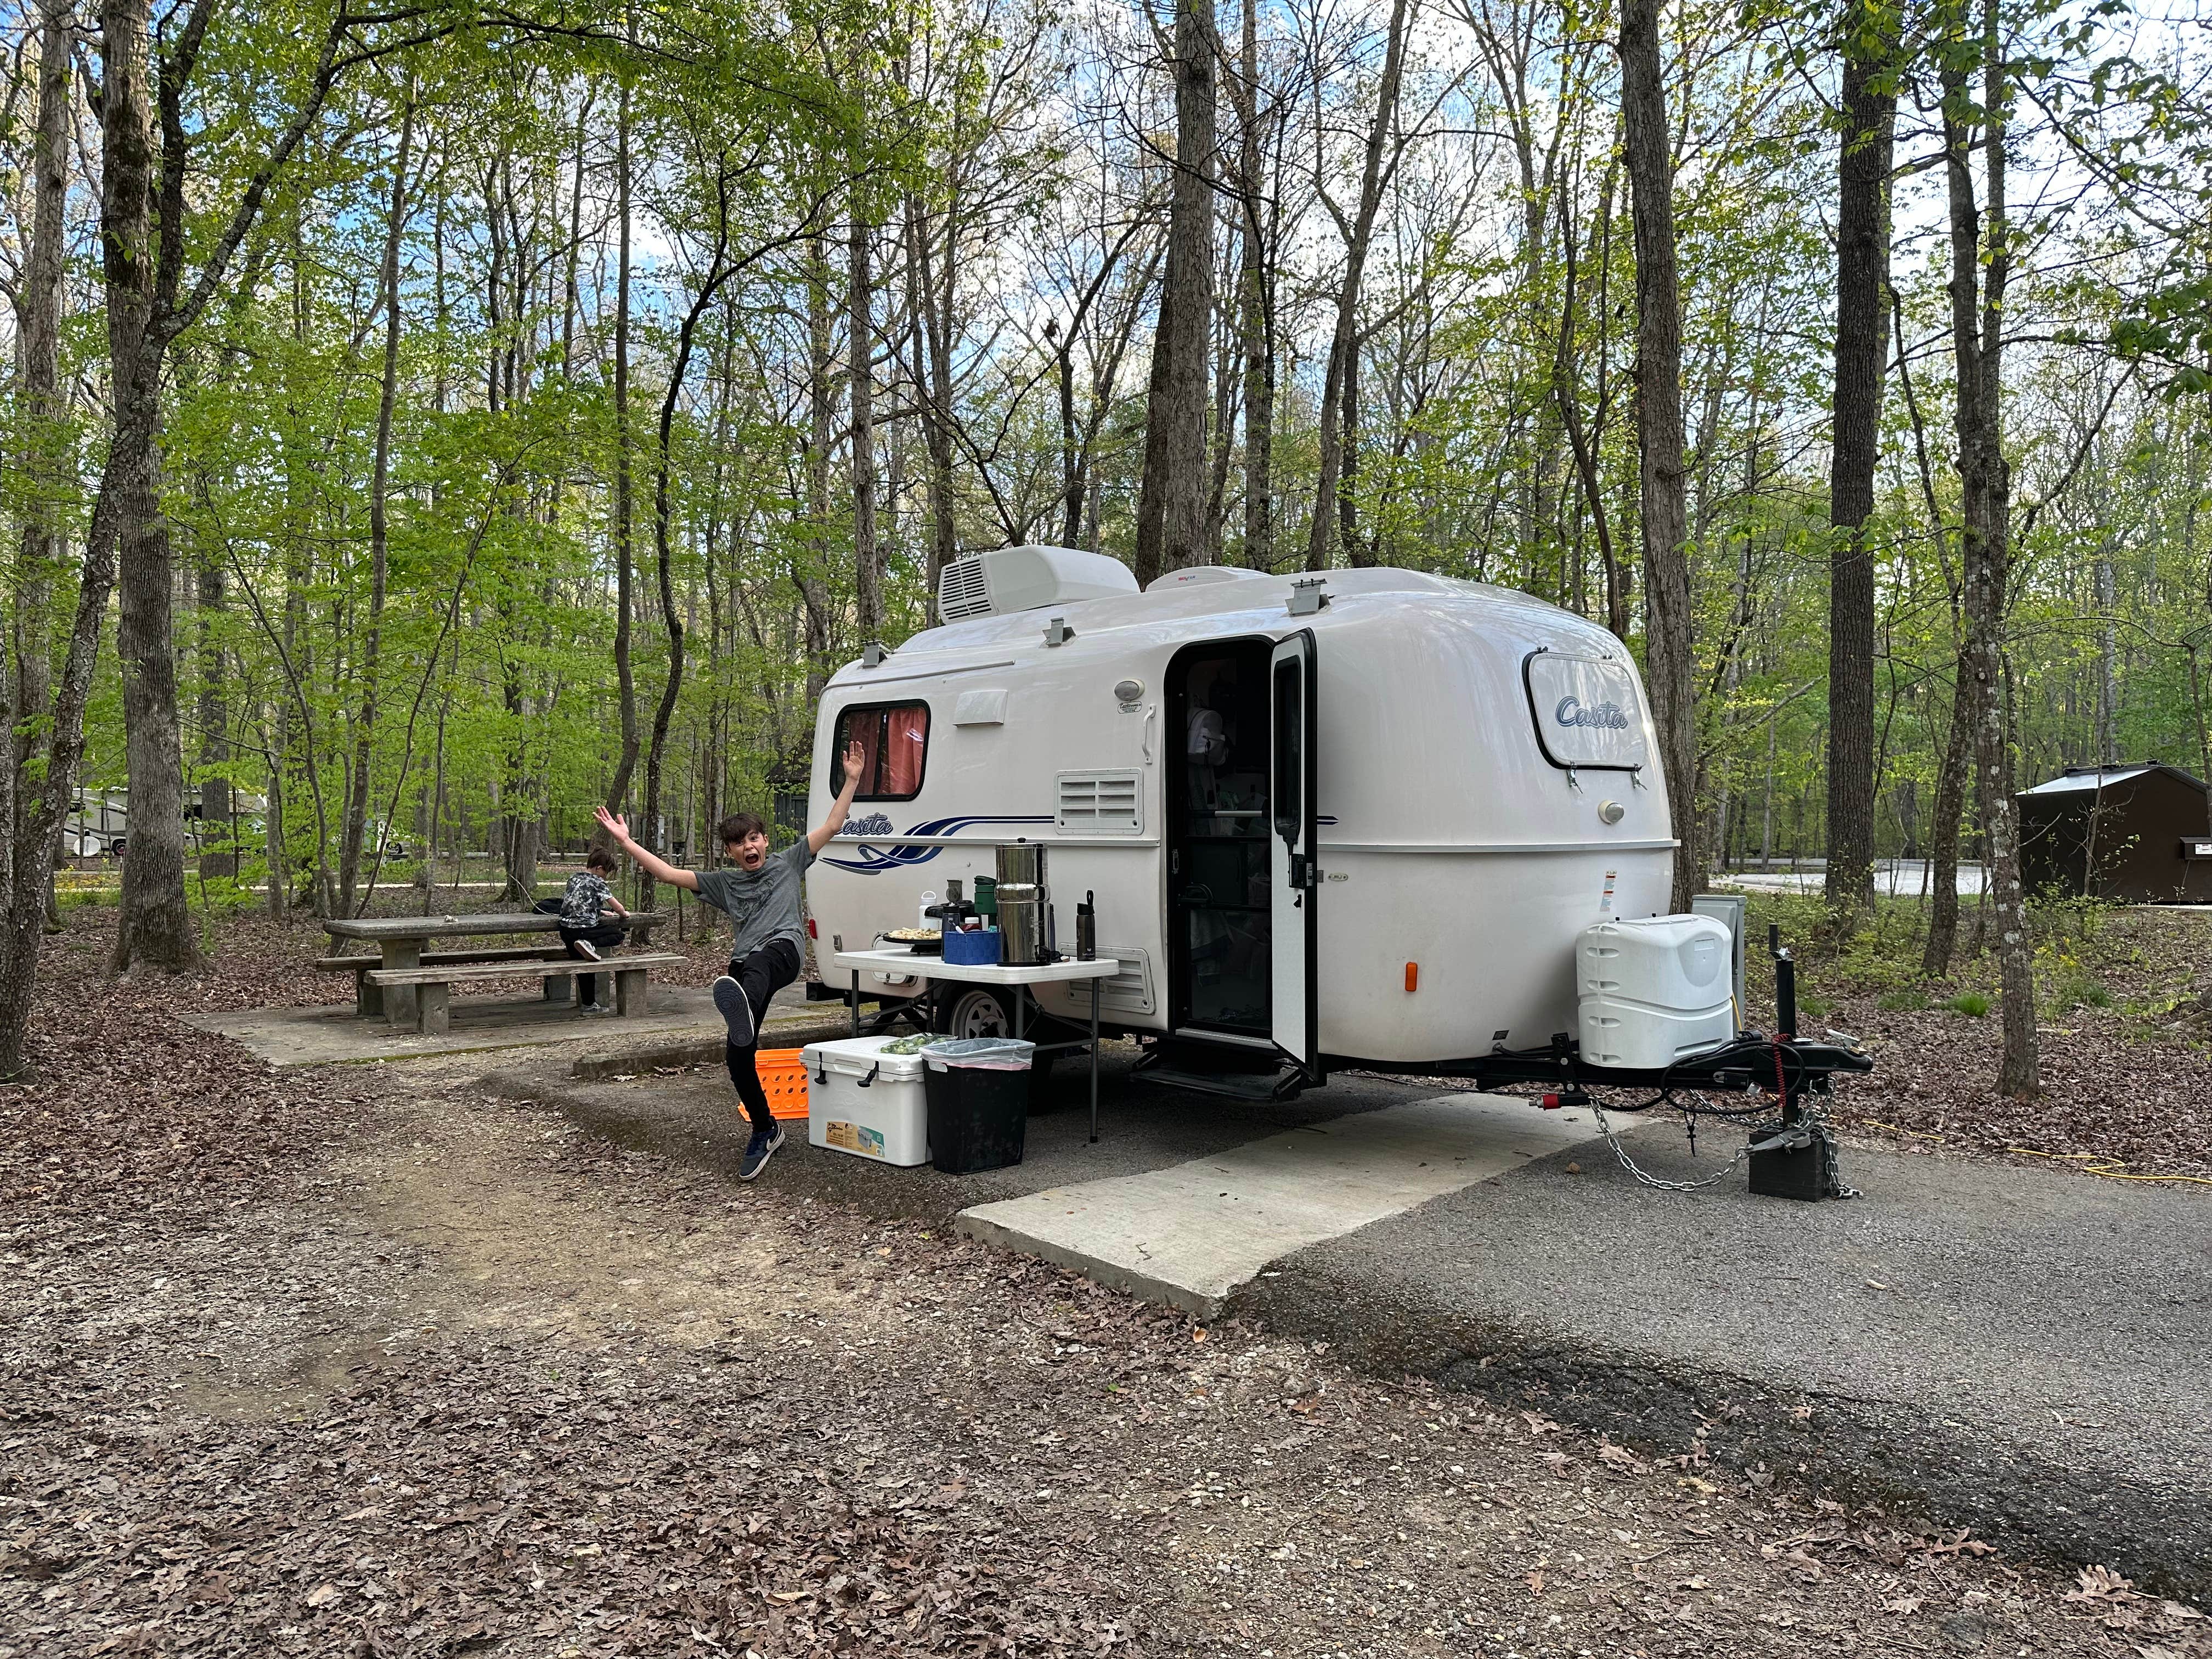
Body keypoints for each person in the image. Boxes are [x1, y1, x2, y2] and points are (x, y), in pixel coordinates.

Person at [594, 737, 866, 1180]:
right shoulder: (722, 882)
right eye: (739, 844)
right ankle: (766, 1129)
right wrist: (626, 841)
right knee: (739, 1054)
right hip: (743, 966)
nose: (749, 847)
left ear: (764, 839)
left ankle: (741, 1007)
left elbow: (833, 825)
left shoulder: (789, 861)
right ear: (731, 851)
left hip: (783, 953)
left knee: (757, 966)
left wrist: (851, 779)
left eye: (754, 838)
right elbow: (665, 873)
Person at [546, 845, 628, 1014]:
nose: (607, 876)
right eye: (607, 872)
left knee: (584, 966)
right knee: (618, 935)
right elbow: (617, 906)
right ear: (599, 868)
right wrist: (623, 913)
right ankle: (587, 943)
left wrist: (600, 911)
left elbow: (578, 903)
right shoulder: (598, 882)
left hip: (566, 930)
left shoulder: (574, 878)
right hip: (584, 930)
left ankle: (589, 1004)